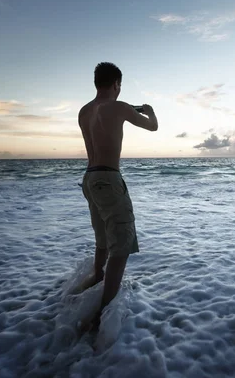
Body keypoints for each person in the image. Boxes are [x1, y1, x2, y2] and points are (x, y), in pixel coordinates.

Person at [78, 62, 158, 329]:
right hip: (109, 178)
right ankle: (102, 312)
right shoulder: (120, 106)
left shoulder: (84, 111)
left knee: (102, 237)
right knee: (121, 246)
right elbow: (153, 127)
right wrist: (149, 111)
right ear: (116, 84)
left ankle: (96, 277)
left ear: (96, 83)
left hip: (89, 178)